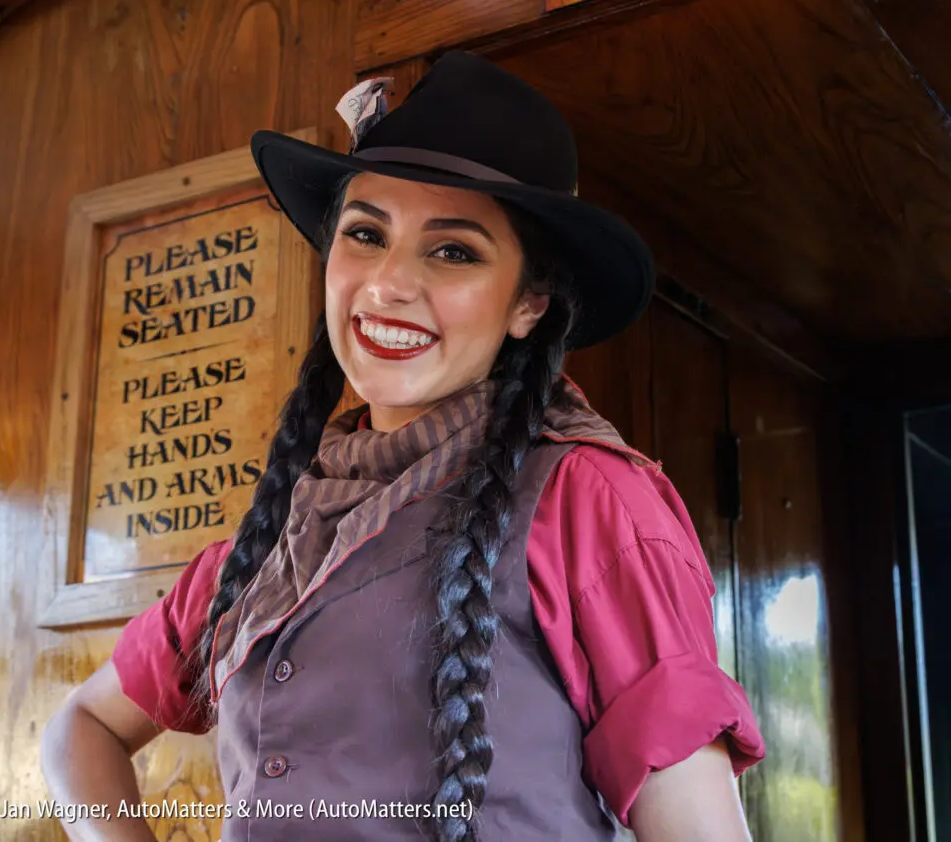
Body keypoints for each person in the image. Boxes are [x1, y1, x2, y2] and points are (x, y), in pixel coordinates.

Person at [41, 51, 765, 842]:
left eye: (453, 250)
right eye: (364, 233)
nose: (387, 282)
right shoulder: (261, 549)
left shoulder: (591, 501)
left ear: (530, 303)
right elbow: (81, 729)